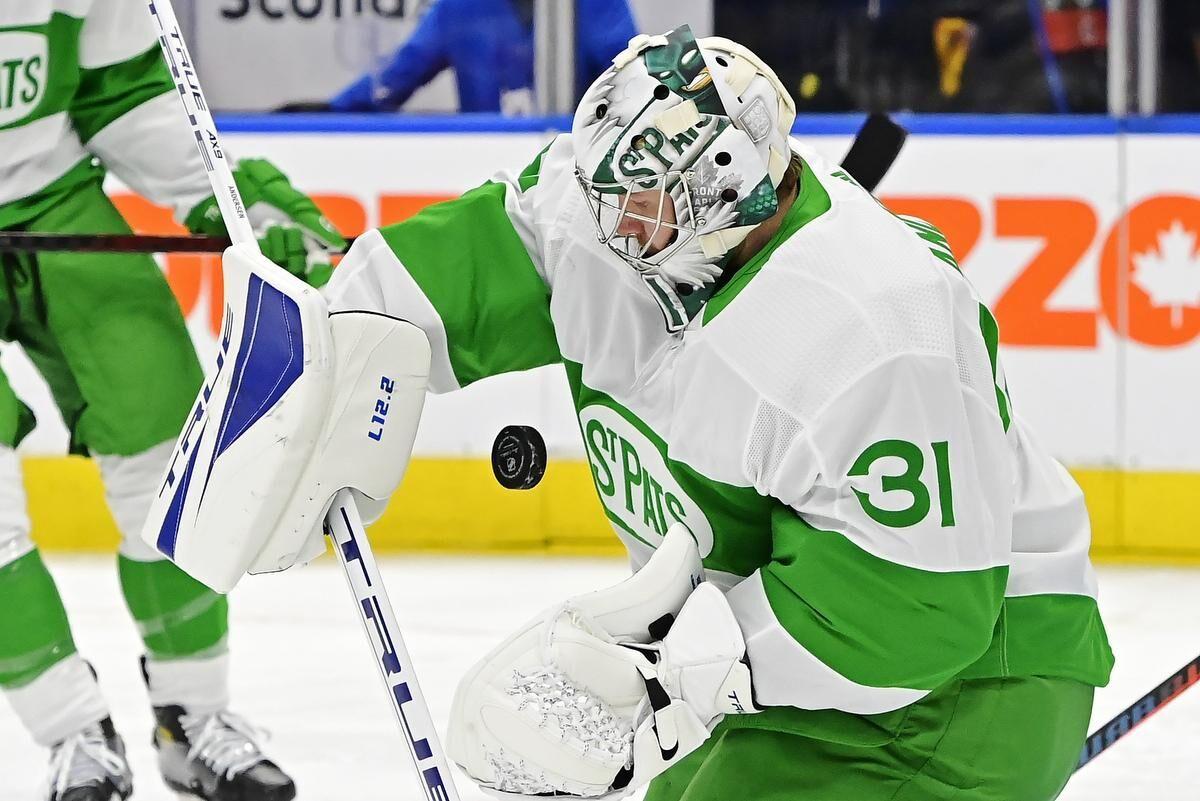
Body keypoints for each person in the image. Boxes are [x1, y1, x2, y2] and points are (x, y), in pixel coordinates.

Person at [321, 25, 1113, 800]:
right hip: (792, 664)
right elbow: (487, 256)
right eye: (610, 195)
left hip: (963, 688)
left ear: (726, 187)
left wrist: (678, 670)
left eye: (644, 208)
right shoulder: (623, 206)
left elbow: (920, 607)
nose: (612, 228)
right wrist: (335, 347)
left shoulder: (876, 328)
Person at [0, 2, 344, 800]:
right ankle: (72, 729)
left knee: (169, 457)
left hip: (57, 206)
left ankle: (193, 719)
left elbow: (120, 90)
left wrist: (229, 200)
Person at [325, 0, 637, 113]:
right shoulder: (460, 7)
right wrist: (328, 111)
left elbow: (630, 79)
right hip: (482, 167)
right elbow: (396, 76)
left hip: (572, 159)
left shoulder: (598, 4)